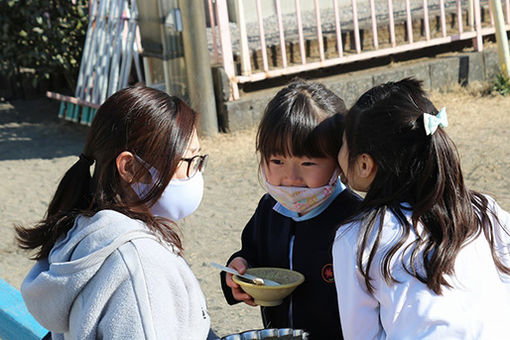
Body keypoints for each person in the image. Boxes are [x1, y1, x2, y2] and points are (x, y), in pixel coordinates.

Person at [16, 86, 215, 339]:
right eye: (187, 161)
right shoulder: (140, 261)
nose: (195, 173)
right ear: (129, 168)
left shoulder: (85, 230)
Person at [332, 78, 510, 339]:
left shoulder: (356, 238)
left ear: (364, 165)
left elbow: (361, 335)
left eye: (342, 144)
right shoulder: (485, 210)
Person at [220, 80, 361, 339]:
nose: (291, 177)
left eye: (308, 162)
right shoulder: (269, 210)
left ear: (340, 160)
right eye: (277, 161)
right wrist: (237, 270)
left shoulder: (355, 219)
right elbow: (250, 254)